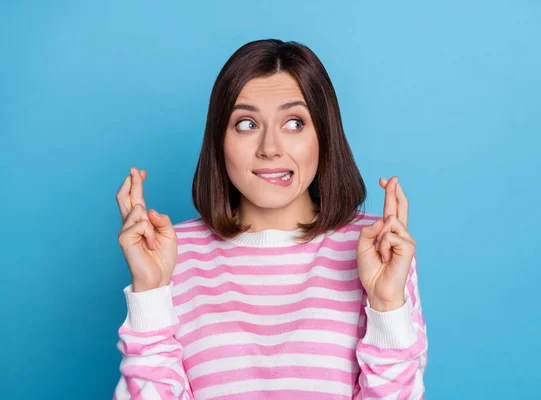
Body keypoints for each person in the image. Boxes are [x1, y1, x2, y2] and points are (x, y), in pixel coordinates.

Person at [113, 39, 428, 399]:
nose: (270, 147)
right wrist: (150, 292)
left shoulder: (374, 247)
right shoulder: (170, 253)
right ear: (219, 140)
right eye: (246, 124)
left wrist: (386, 305)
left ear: (324, 136)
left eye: (294, 123)